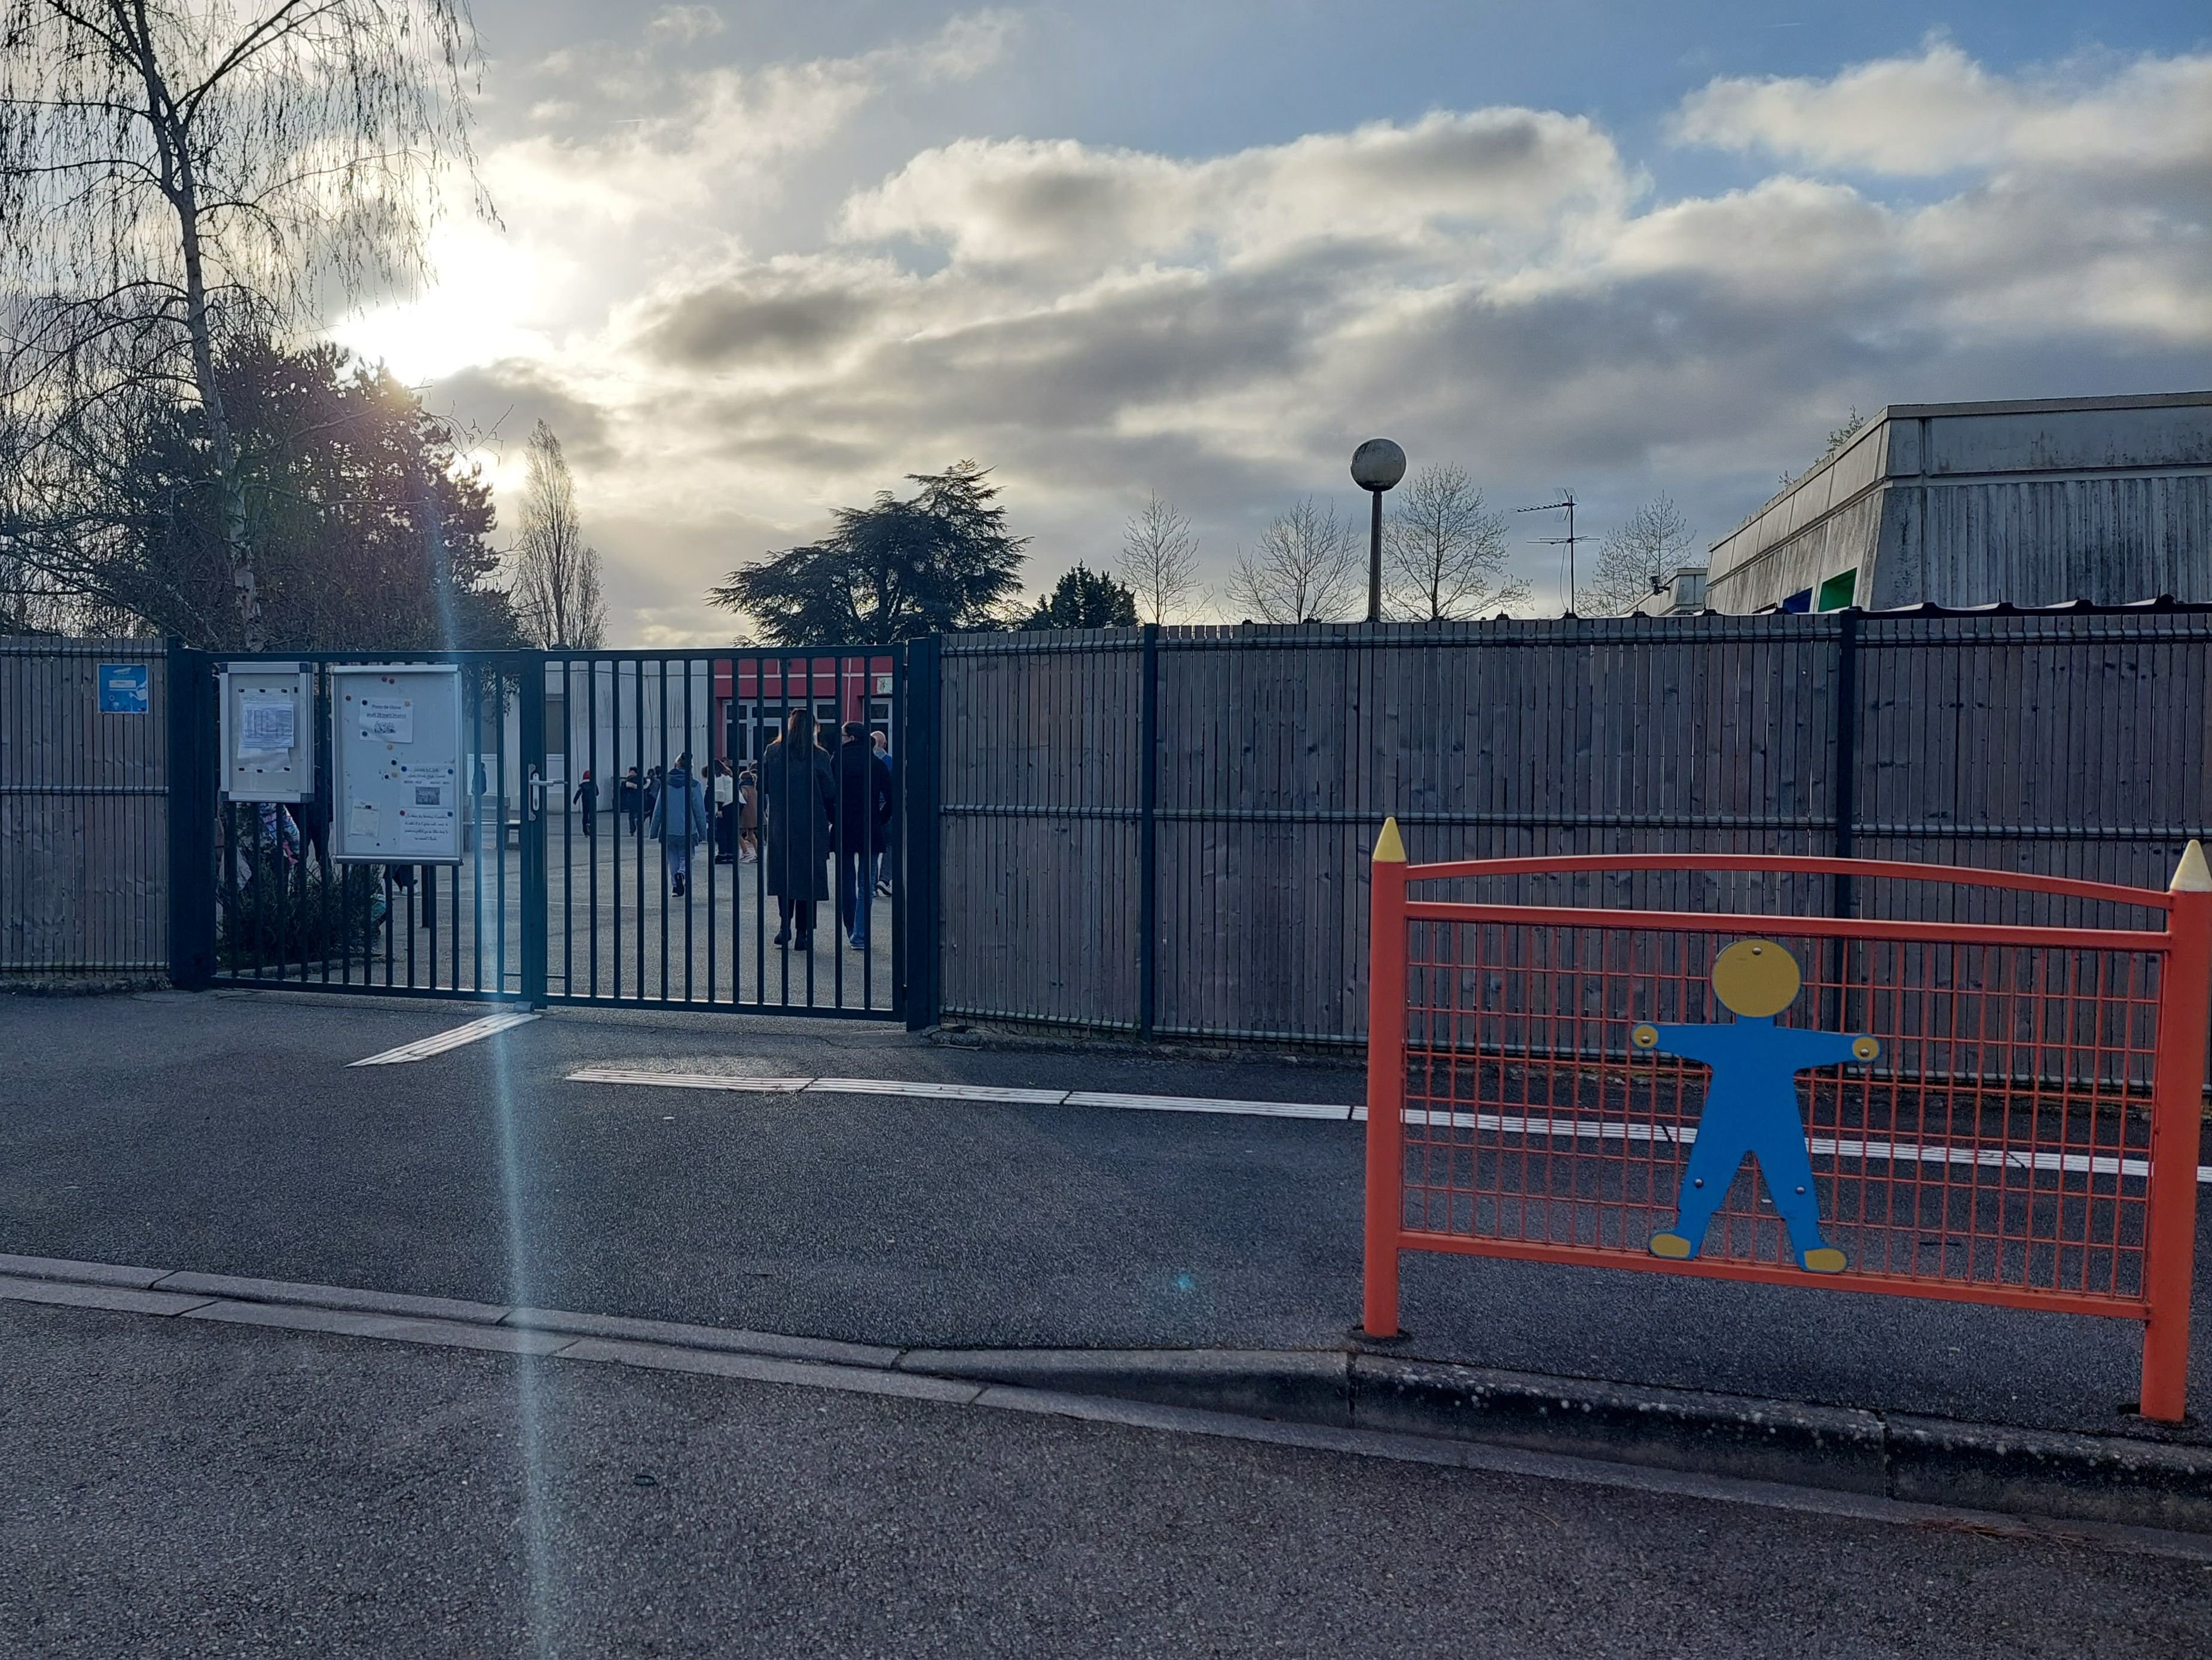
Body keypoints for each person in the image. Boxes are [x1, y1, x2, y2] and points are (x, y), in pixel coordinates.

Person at [1631, 938, 1880, 1275]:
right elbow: (1692, 1038)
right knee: (1716, 1173)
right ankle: (1690, 1236)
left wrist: (1656, 1035)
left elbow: (1816, 1045)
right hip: (1757, 1116)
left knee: (1782, 1176)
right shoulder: (1767, 1041)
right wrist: (1856, 1048)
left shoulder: (1753, 1040)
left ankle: (1806, 1245)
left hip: (1748, 1116)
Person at [760, 708, 835, 949]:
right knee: (807, 879)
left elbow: (764, 786)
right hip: (811, 825)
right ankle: (803, 933)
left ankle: (785, 927)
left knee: (784, 876)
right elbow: (830, 792)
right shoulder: (819, 756)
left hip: (781, 825)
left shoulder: (773, 752)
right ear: (813, 728)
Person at [836, 721, 894, 951]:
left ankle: (851, 929)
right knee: (866, 883)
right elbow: (891, 797)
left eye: (842, 735)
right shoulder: (876, 763)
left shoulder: (837, 760)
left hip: (844, 827)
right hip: (870, 827)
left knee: (847, 882)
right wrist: (880, 818)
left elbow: (830, 793)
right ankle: (860, 934)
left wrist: (835, 817)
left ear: (850, 737)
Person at [647, 751, 711, 897]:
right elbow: (699, 811)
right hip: (688, 828)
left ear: (677, 765)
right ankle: (682, 873)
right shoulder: (694, 785)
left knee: (672, 857)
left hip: (668, 828)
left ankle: (676, 887)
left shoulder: (666, 783)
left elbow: (659, 808)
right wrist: (703, 832)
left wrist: (654, 830)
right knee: (687, 856)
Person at [870, 728, 894, 895]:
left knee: (872, 847)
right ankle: (884, 879)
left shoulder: (867, 761)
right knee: (890, 844)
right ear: (884, 744)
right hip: (887, 807)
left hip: (870, 807)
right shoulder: (890, 761)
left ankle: (871, 883)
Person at [712, 757, 737, 864]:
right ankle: (731, 854)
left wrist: (719, 810)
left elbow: (720, 794)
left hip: (727, 804)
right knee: (731, 831)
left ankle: (722, 854)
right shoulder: (728, 776)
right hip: (736, 802)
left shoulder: (719, 777)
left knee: (721, 831)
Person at [737, 766, 760, 863]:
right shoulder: (754, 788)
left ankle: (746, 852)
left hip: (745, 813)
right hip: (753, 814)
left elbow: (743, 799)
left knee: (737, 833)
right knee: (751, 835)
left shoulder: (744, 788)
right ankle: (758, 853)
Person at [573, 769, 599, 841]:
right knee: (592, 815)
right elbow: (597, 793)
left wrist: (575, 801)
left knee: (585, 815)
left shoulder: (582, 785)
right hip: (592, 802)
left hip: (585, 802)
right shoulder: (593, 784)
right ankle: (591, 826)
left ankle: (585, 830)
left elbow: (578, 793)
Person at [618, 766, 643, 834]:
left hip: (630, 800)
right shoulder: (641, 780)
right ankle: (637, 826)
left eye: (632, 772)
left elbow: (622, 791)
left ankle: (632, 829)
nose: (631, 773)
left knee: (631, 816)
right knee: (638, 814)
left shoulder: (626, 782)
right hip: (639, 800)